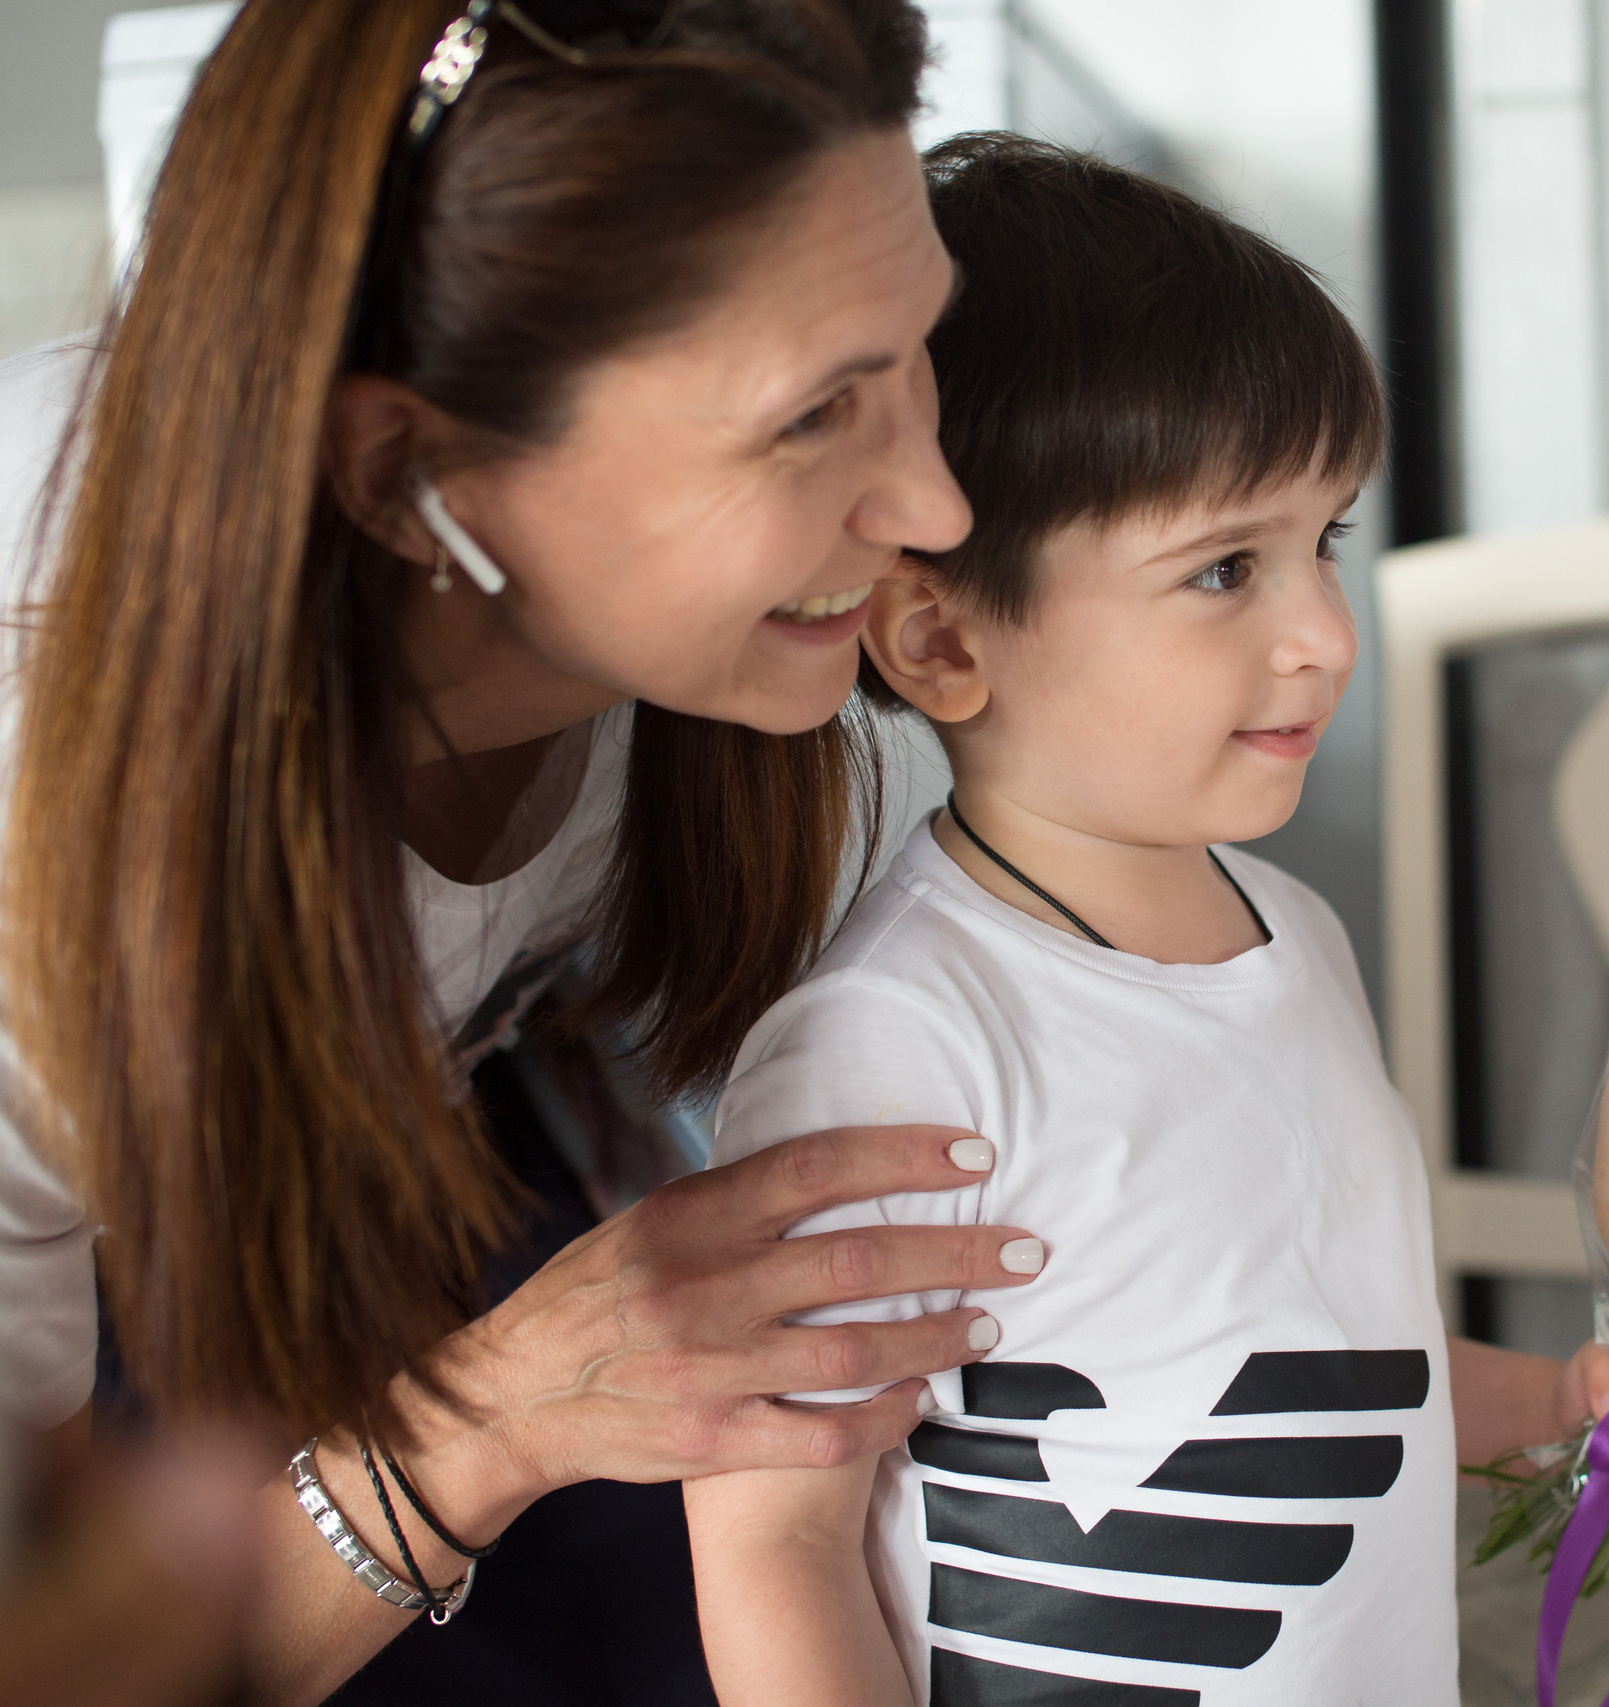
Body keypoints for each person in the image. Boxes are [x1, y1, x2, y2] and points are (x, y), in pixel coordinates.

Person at [0, 4, 1049, 1700]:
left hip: (415, 1150)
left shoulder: (672, 645)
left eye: (913, 355)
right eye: (810, 421)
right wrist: (475, 1431)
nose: (933, 503)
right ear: (410, 477)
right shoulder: (41, 850)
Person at [685, 137, 1609, 1706]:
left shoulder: (1297, 939)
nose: (1323, 633)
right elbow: (775, 1546)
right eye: (1225, 569)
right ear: (940, 638)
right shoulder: (892, 1045)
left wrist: (1569, 1407)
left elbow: (1310, 1373)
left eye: (1327, 542)